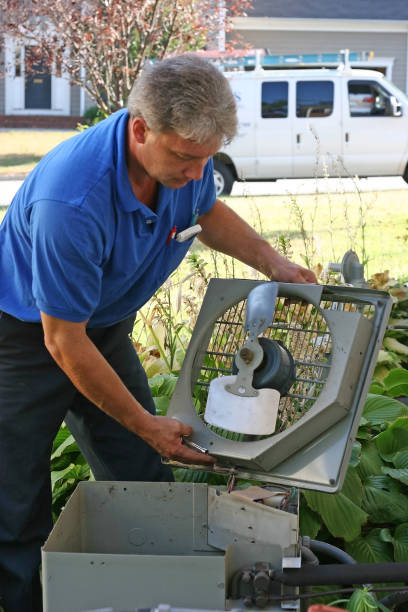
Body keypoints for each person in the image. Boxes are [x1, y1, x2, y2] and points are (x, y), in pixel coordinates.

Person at [0, 54, 316, 612]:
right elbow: (63, 342)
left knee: (138, 474)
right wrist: (147, 423)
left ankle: (144, 597)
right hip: (25, 339)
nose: (198, 174)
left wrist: (273, 262)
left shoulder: (181, 163)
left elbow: (207, 211)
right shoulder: (71, 201)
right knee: (16, 499)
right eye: (187, 158)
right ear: (141, 129)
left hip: (101, 327)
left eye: (208, 158)